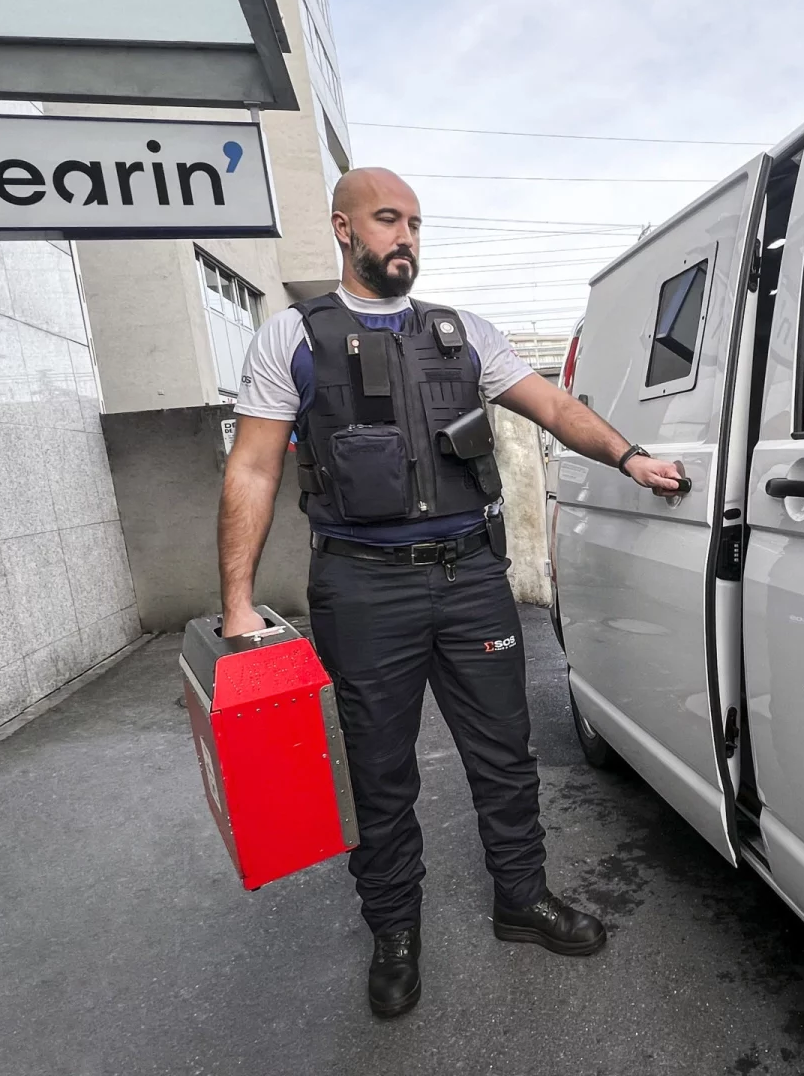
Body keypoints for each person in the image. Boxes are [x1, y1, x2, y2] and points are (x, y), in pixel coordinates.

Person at [217, 167, 685, 1019]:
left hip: (469, 574)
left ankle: (521, 899)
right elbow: (251, 466)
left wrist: (629, 456)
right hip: (360, 586)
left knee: (504, 756)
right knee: (381, 772)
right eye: (389, 221)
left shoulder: (463, 332)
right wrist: (239, 603)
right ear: (344, 229)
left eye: (417, 225)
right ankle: (395, 930)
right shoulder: (291, 335)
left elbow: (550, 403)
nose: (407, 239)